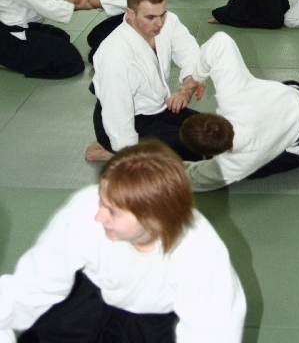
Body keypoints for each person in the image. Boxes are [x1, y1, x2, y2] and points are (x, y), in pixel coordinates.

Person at [0, 139, 246, 343]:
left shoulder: (198, 250)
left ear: (153, 218)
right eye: (102, 200)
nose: (99, 216)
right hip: (88, 293)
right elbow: (33, 285)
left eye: (113, 212)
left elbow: (212, 331)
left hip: (150, 318)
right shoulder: (86, 209)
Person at [178, 31, 299, 191]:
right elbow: (220, 41)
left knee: (257, 170)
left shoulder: (239, 163)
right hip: (298, 97)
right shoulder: (230, 94)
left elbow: (193, 178)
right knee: (270, 96)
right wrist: (194, 80)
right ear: (212, 116)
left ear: (214, 153)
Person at [85, 0, 203, 162]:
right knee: (196, 151)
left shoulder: (168, 21)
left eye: (162, 14)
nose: (159, 23)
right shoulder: (115, 54)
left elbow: (190, 53)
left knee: (213, 133)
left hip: (159, 109)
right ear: (130, 13)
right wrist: (125, 153)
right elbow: (117, 114)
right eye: (151, 17)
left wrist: (186, 89)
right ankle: (113, 150)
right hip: (126, 121)